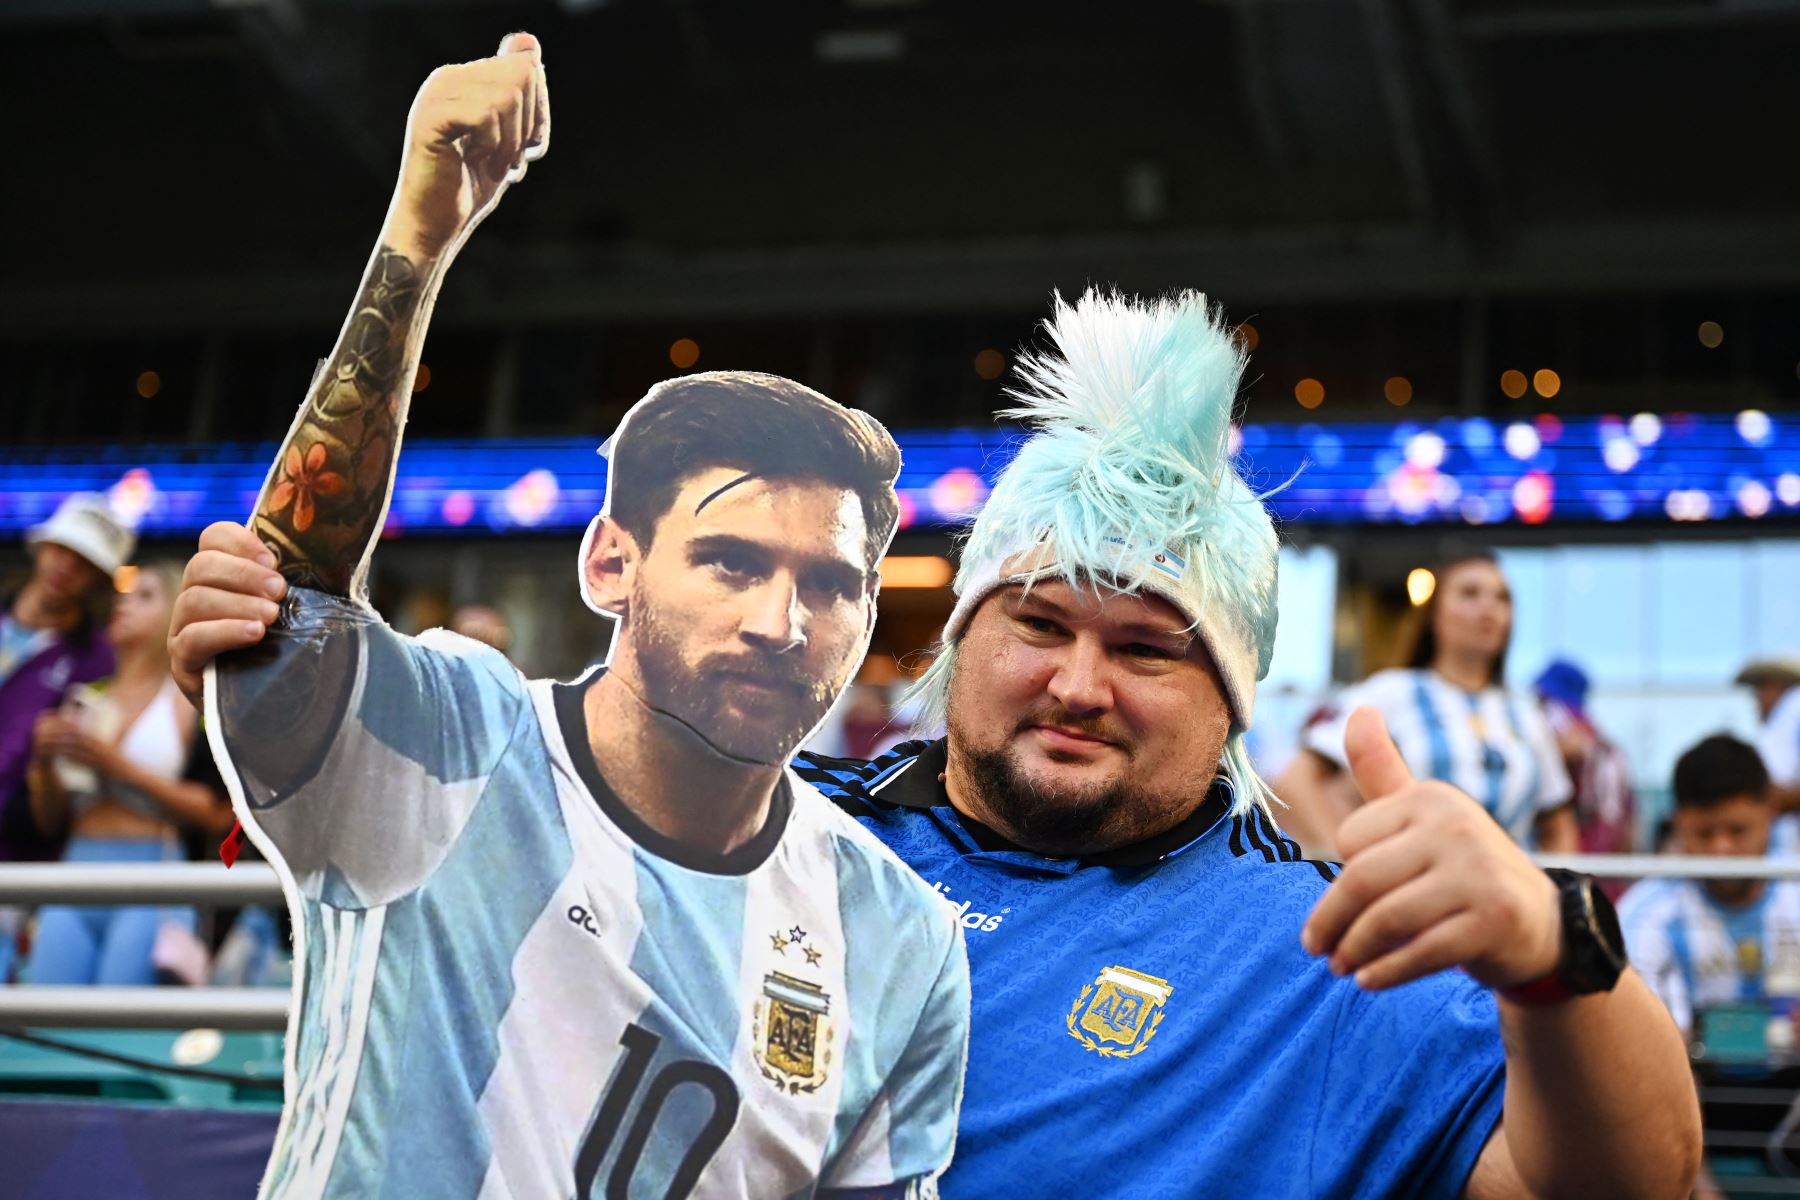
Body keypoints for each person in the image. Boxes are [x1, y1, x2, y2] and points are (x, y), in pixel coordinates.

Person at [184, 288, 1701, 1196]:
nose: (1080, 682)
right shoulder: (765, 819)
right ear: (958, 637)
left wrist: (1556, 952)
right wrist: (291, 617)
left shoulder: (1318, 955)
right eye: (1039, 625)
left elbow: (1640, 1187)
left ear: (1238, 703)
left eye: (1150, 649)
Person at [171, 33, 966, 1200]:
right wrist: (421, 236)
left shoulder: (895, 935)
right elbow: (297, 586)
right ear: (610, 562)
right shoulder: (449, 745)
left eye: (833, 583)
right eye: (731, 562)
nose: (783, 622)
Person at [1275, 549, 1577, 858]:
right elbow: (1295, 780)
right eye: (1469, 593)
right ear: (1434, 614)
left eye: (1502, 597)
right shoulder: (1391, 691)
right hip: (1416, 892)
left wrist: (1560, 896)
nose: (1489, 606)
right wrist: (1343, 864)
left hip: (1511, 897)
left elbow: (1559, 823)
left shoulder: (1526, 715)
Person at [23, 561, 230, 984]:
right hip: (76, 867)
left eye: (145, 596)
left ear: (174, 611)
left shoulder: (193, 702)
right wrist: (42, 763)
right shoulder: (85, 696)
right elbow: (50, 820)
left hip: (152, 871)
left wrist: (115, 765)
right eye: (122, 596)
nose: (124, 605)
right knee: (44, 1022)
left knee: (124, 1029)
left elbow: (218, 813)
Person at [1618, 735, 1800, 1190]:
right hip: (1692, 1093)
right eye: (1703, 833)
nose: (1722, 849)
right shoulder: (1645, 913)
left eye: (1738, 830)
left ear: (1769, 815)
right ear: (1679, 824)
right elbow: (1645, 1053)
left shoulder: (1795, 891)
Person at [0, 492, 134, 980]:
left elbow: (61, 805)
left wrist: (43, 764)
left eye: (83, 562)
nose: (65, 567)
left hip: (14, 866)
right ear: (41, 546)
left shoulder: (99, 662)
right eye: (62, 549)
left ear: (98, 581)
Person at [1533, 658, 1637, 856]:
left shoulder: (1558, 722)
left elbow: (1570, 747)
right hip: (1606, 862)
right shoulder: (1608, 747)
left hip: (1575, 862)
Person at [1738, 658, 1800, 813]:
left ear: (1776, 685)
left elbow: (1774, 789)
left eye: (1760, 690)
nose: (1756, 703)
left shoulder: (1790, 707)